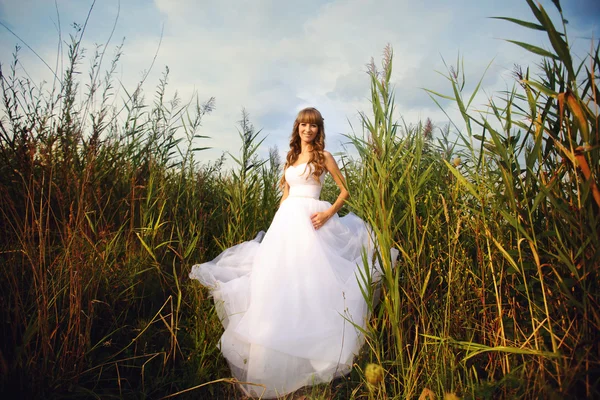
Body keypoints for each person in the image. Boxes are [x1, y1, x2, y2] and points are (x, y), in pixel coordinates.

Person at [189, 107, 396, 398]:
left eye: (313, 126)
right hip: (287, 224)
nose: (308, 130)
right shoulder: (291, 158)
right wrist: (276, 228)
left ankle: (315, 354)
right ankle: (276, 354)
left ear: (318, 130)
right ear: (297, 128)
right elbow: (285, 197)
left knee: (313, 284)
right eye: (303, 125)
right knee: (278, 283)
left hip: (314, 220)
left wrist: (327, 215)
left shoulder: (323, 157)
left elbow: (344, 191)